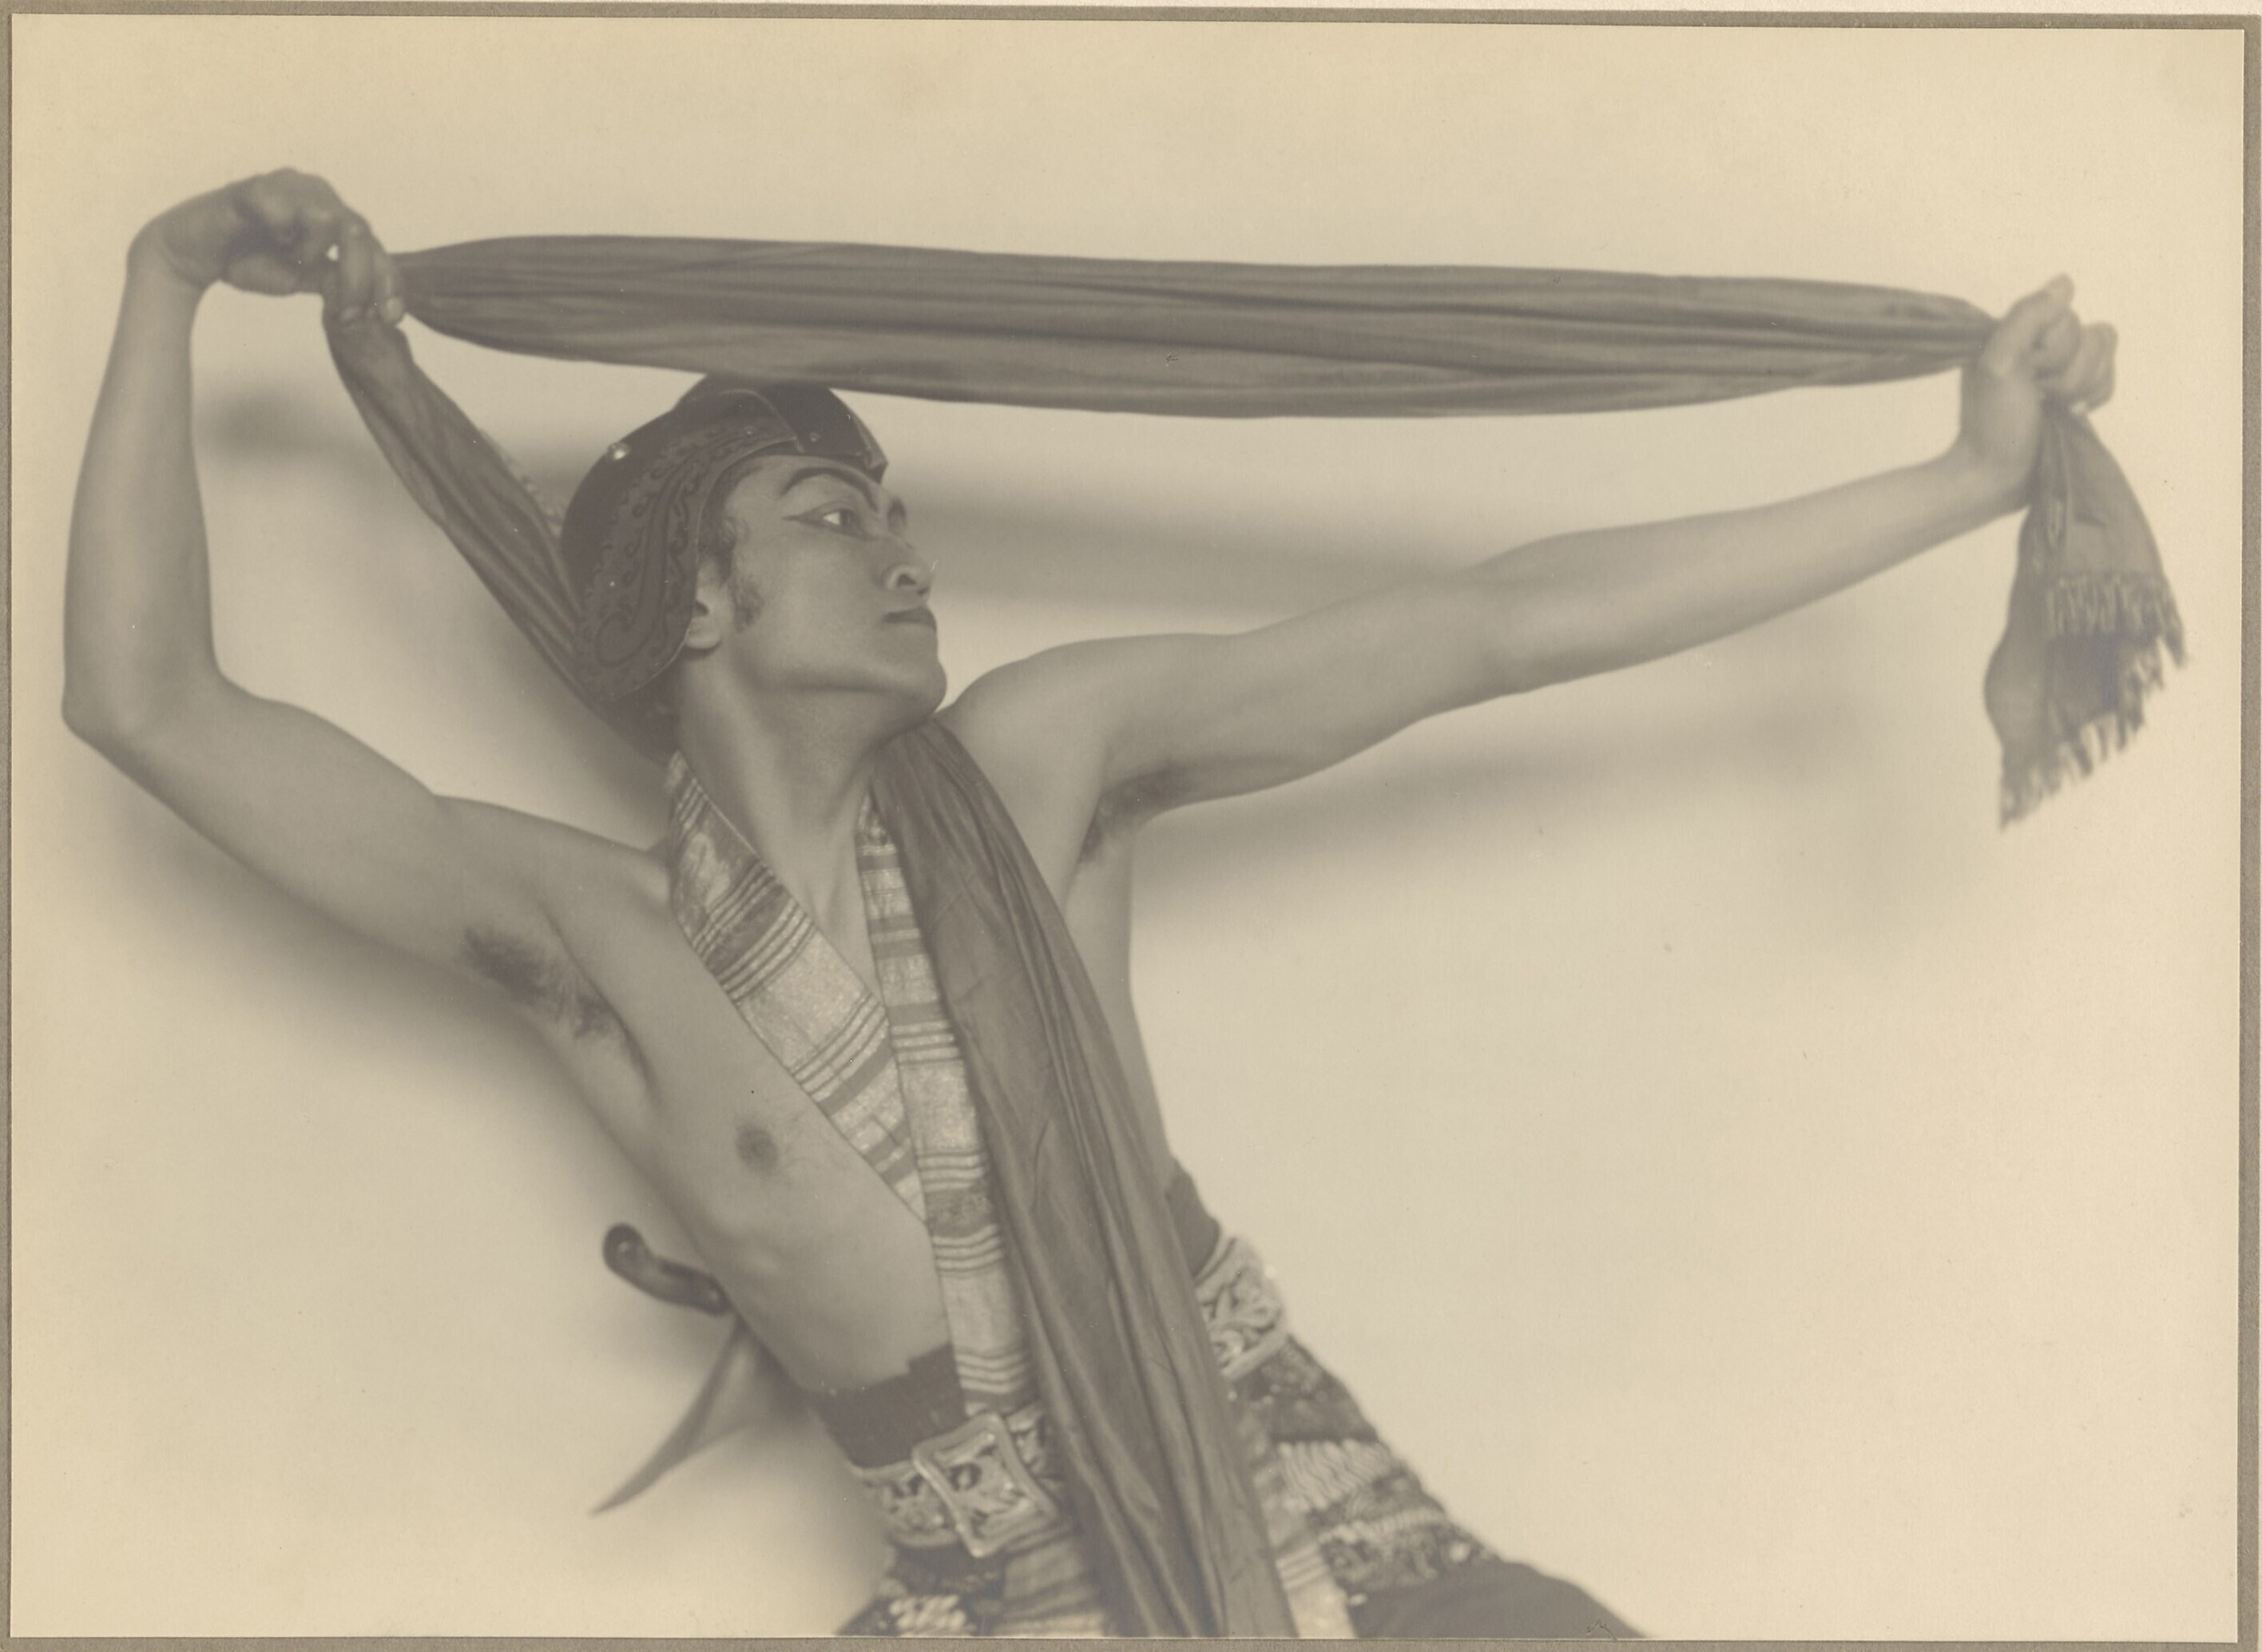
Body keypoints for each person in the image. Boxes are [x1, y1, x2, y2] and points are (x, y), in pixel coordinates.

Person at [64, 170, 2118, 1638]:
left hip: (1286, 1491)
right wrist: (161, 284)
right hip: (987, 1593)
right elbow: (150, 703)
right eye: (833, 517)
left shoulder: (1042, 762)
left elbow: (1492, 625)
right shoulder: (602, 948)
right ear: (697, 602)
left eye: (897, 516)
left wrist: (1964, 479)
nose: (901, 554)